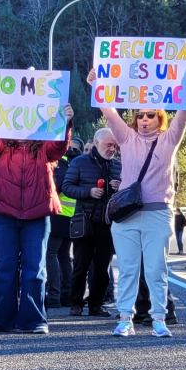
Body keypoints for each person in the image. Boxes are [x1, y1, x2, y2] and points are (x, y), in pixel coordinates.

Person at [92, 72, 186, 337]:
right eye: (140, 115)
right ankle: (126, 318)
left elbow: (183, 115)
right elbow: (109, 112)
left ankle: (159, 317)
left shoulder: (169, 138)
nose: (144, 119)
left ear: (160, 117)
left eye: (150, 115)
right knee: (127, 269)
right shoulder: (126, 138)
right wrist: (96, 85)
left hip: (158, 213)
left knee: (156, 268)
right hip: (126, 216)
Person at [0, 101, 74, 333]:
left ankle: (34, 320)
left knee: (35, 269)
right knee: (5, 268)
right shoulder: (0, 147)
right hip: (6, 215)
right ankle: (0, 319)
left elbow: (59, 148)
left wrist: (66, 123)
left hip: (37, 215)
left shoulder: (44, 147)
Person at [62, 128, 118, 318]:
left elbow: (130, 191)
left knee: (102, 269)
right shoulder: (79, 162)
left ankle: (96, 305)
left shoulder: (118, 166)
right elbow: (67, 187)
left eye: (115, 146)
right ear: (96, 143)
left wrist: (121, 187)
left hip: (108, 224)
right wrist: (89, 192)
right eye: (109, 145)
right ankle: (75, 304)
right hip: (84, 221)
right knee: (80, 266)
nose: (112, 149)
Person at [45, 138, 81, 310]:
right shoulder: (80, 161)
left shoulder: (62, 163)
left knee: (51, 253)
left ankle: (53, 294)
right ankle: (66, 294)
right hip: (74, 216)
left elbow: (56, 187)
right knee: (65, 256)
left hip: (58, 215)